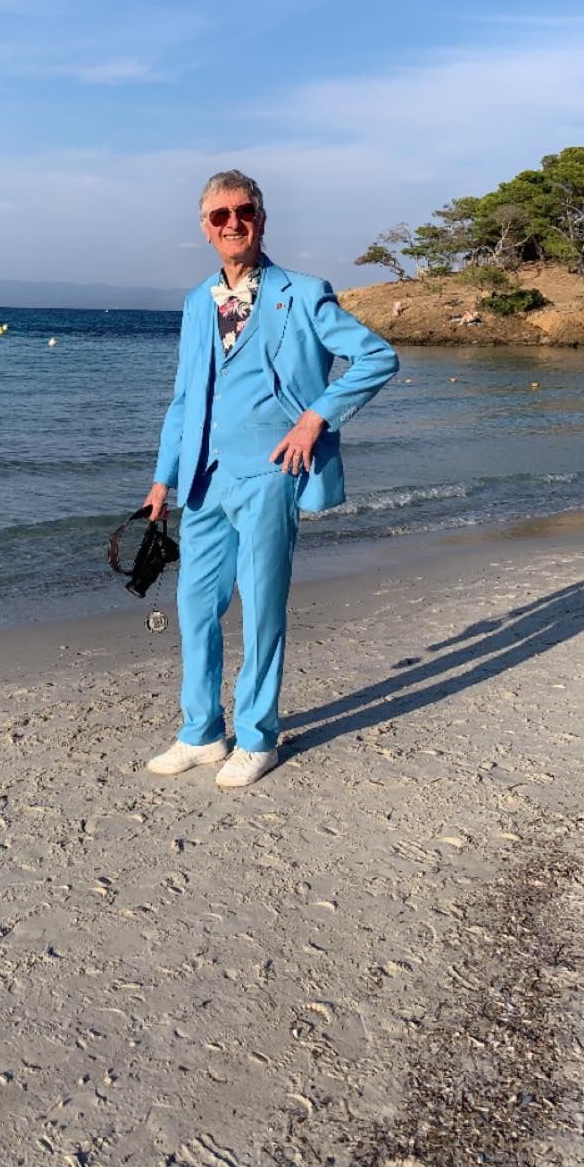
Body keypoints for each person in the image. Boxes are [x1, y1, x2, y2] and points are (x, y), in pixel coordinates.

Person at [142, 171, 399, 789]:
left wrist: (317, 418)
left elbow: (377, 356)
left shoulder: (304, 294)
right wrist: (162, 478)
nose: (233, 224)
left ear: (261, 217)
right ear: (205, 229)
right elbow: (184, 397)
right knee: (195, 607)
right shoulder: (197, 301)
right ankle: (201, 731)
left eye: (243, 212)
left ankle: (258, 737)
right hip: (204, 480)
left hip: (270, 475)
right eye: (219, 216)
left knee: (261, 609)